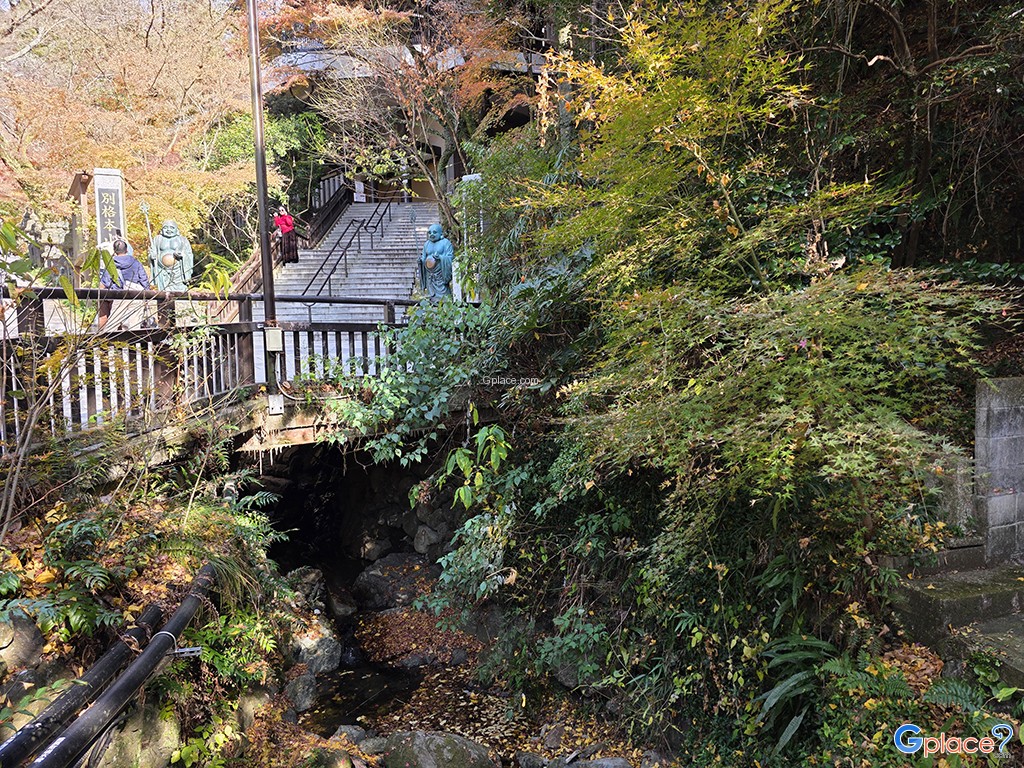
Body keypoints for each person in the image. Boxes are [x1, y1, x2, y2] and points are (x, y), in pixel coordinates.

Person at [99, 239, 151, 330]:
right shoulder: (135, 262)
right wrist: (147, 295)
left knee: (112, 324)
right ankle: (134, 344)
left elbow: (106, 282)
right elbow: (144, 279)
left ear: (114, 251)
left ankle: (108, 343)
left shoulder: (111, 264)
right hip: (136, 295)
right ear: (127, 250)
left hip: (119, 296)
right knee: (135, 325)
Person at [419, 223, 454, 301]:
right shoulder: (426, 244)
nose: (432, 234)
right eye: (430, 232)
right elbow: (424, 257)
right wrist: (420, 261)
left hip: (441, 275)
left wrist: (440, 258)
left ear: (441, 233)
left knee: (444, 298)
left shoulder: (446, 243)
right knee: (432, 297)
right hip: (430, 276)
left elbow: (450, 257)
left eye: (434, 232)